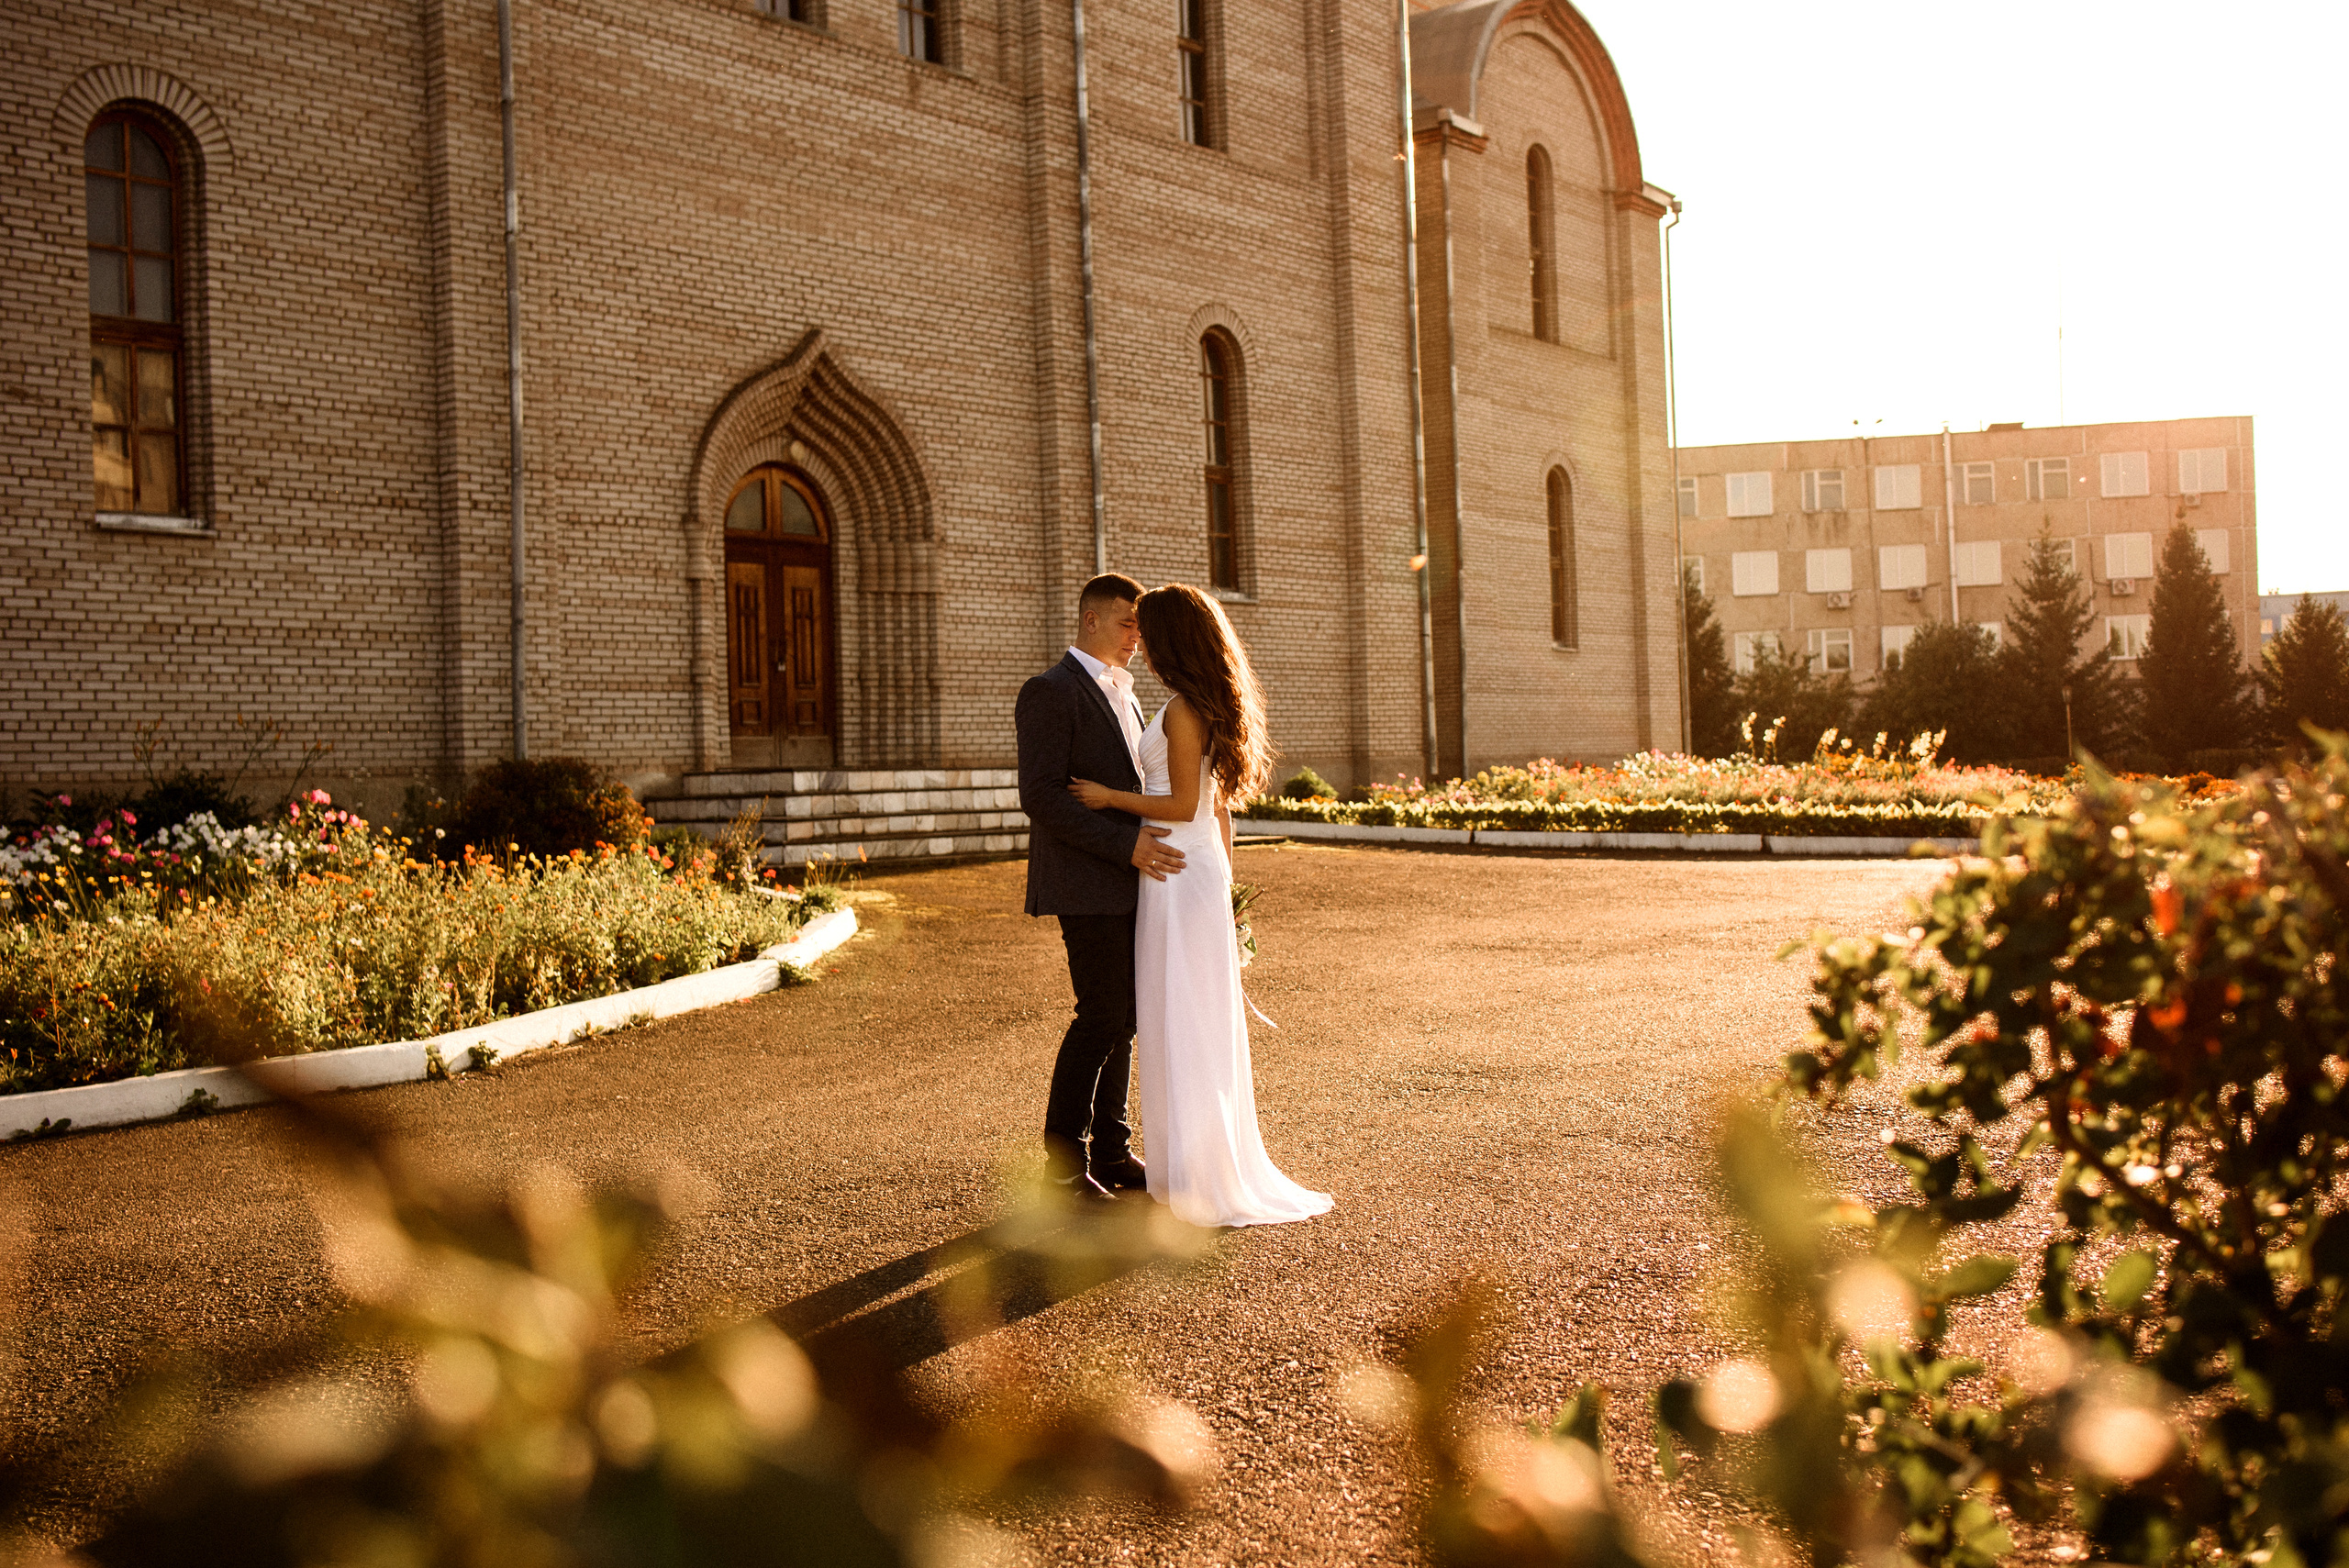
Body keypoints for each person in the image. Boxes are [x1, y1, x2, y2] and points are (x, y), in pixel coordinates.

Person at [1069, 584, 1332, 1229]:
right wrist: (1229, 894)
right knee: (1176, 1015)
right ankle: (1187, 1164)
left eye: (1148, 629)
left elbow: (1186, 804)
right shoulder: (1193, 704)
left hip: (1178, 874)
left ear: (1173, 638)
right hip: (1190, 874)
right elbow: (1220, 813)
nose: (1141, 640)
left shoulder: (1186, 710)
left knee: (1183, 1017)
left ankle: (1200, 1174)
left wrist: (1109, 797)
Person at [1015, 573, 1186, 1204]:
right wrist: (1125, 845)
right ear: (1090, 620)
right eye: (1126, 623)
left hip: (1134, 882)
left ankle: (1111, 1150)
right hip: (1087, 882)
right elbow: (1039, 797)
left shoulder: (1127, 694)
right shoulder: (1050, 691)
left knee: (1126, 1019)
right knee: (1100, 1017)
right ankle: (1061, 1167)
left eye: (1139, 626)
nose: (1136, 637)